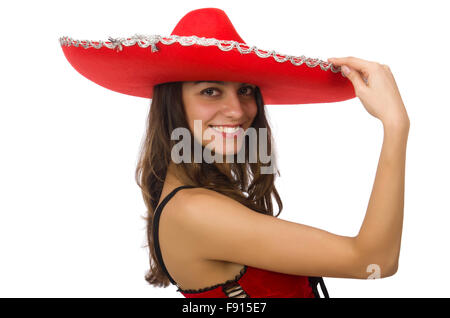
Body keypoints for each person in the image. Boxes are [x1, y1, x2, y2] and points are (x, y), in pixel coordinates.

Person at [59, 8, 409, 298]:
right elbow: (374, 261)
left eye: (245, 90)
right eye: (210, 91)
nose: (238, 111)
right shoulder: (195, 211)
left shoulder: (203, 200)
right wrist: (395, 125)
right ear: (172, 103)